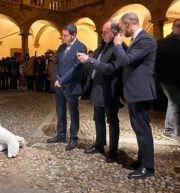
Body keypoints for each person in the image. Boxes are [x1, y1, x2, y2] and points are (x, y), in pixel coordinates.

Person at [113, 12, 156, 179]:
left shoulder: (145, 39)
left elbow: (127, 61)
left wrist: (118, 45)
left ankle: (148, 167)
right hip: (135, 91)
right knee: (139, 130)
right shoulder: (137, 40)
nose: (122, 31)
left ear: (128, 24)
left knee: (143, 130)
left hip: (141, 91)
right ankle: (141, 160)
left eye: (122, 27)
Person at [77, 21, 126, 163]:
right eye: (102, 32)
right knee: (98, 119)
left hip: (110, 91)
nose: (102, 34)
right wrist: (84, 62)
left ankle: (113, 151)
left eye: (105, 32)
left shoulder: (119, 48)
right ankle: (99, 145)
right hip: (98, 89)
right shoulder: (101, 48)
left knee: (112, 121)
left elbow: (110, 69)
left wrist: (89, 60)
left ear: (114, 33)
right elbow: (94, 67)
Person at [47, 24, 87, 151]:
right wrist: (57, 79)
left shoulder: (81, 47)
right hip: (60, 86)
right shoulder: (61, 47)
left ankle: (74, 138)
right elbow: (56, 64)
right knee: (60, 111)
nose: (62, 38)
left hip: (72, 86)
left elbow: (76, 68)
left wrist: (62, 80)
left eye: (65, 35)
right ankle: (61, 134)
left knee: (73, 112)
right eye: (62, 35)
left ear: (74, 35)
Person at [155, 18, 180, 142]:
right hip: (168, 79)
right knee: (174, 101)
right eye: (178, 26)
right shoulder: (165, 43)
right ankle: (169, 130)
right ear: (173, 27)